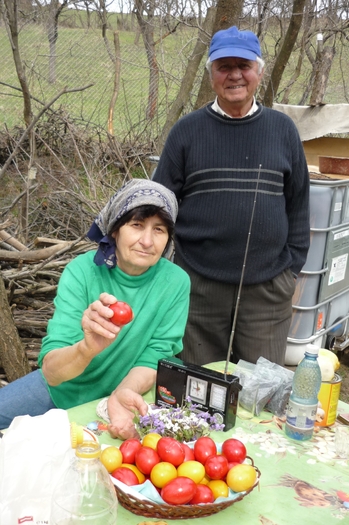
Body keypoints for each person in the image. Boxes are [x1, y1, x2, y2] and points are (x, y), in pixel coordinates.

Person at [153, 25, 310, 367]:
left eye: (244, 66)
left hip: (267, 290)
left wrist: (291, 271)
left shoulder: (282, 130)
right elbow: (158, 207)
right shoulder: (186, 132)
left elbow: (298, 204)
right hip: (198, 287)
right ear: (211, 73)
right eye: (224, 66)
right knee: (195, 389)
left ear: (259, 72)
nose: (235, 75)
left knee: (263, 394)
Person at [0, 179, 190, 439]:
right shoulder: (81, 272)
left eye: (159, 229)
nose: (147, 241)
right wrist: (87, 349)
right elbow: (53, 373)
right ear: (114, 230)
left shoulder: (176, 282)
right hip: (63, 388)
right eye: (136, 225)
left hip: (127, 392)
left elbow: (156, 353)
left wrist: (123, 392)